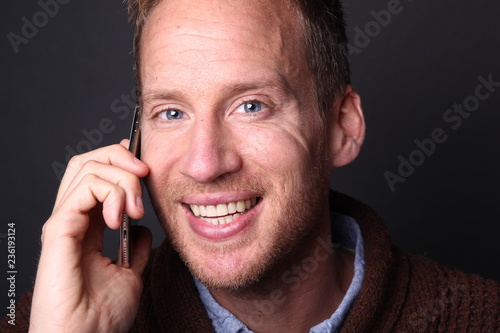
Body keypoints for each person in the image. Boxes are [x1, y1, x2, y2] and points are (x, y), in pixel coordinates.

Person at [3, 0, 499, 332]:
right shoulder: (41, 322)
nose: (204, 163)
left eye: (251, 105)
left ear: (341, 127)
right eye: (171, 113)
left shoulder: (478, 320)